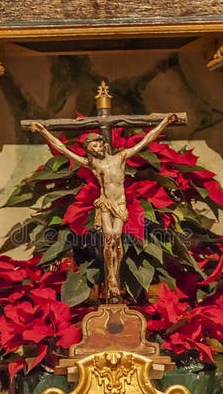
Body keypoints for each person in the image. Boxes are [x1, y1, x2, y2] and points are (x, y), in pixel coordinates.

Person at [30, 113, 176, 301]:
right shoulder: (93, 164)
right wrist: (43, 131)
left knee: (117, 238)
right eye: (92, 147)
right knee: (109, 239)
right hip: (105, 203)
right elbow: (64, 149)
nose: (97, 149)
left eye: (98, 145)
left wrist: (165, 122)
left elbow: (147, 139)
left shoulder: (121, 157)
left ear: (104, 144)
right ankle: (112, 281)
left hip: (120, 204)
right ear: (89, 151)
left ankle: (115, 274)